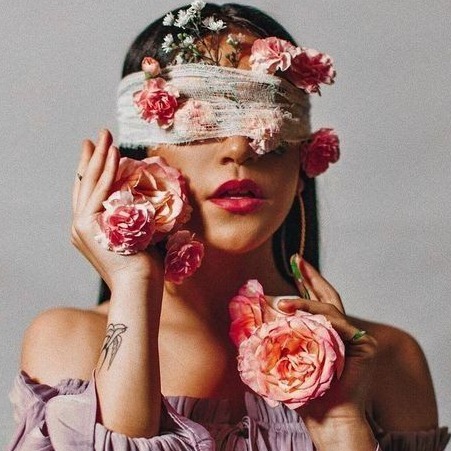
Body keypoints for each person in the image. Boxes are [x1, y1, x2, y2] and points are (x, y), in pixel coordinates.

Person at [8, 3, 450, 450]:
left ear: (302, 163)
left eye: (269, 116)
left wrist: (340, 424)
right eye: (204, 116)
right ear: (142, 156)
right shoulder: (69, 343)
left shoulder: (387, 362)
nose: (240, 147)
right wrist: (133, 281)